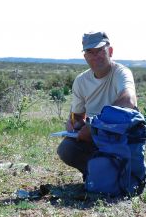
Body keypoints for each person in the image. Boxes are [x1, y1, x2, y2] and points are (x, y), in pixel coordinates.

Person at [57, 31, 137, 180]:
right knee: (66, 149)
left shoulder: (121, 73)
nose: (95, 56)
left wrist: (95, 125)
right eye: (90, 52)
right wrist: (74, 123)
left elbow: (128, 101)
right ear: (85, 56)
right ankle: (97, 175)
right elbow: (78, 116)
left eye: (100, 50)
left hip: (119, 136)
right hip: (94, 137)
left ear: (110, 51)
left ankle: (114, 176)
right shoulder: (81, 81)